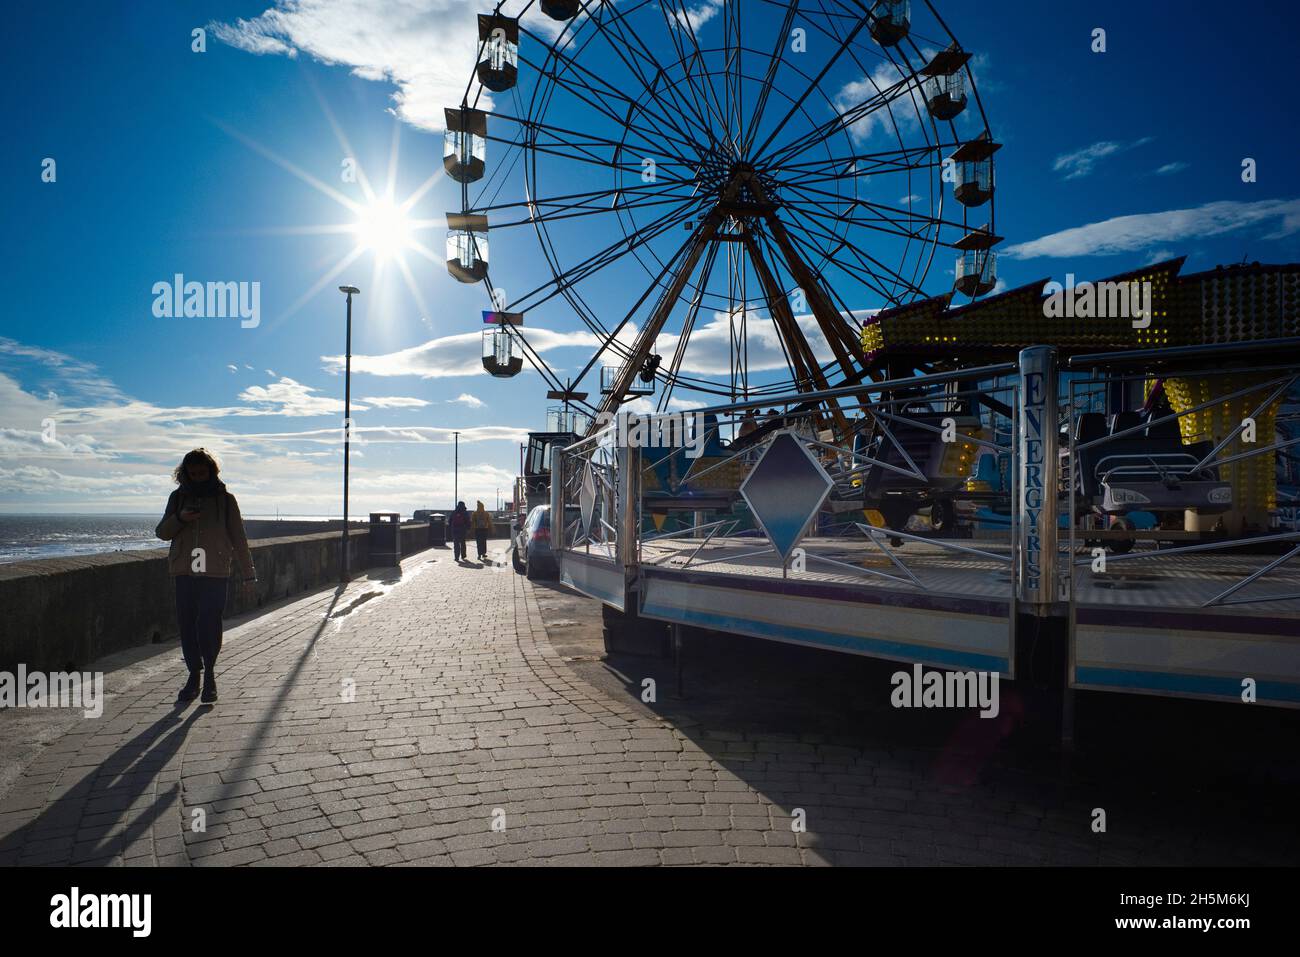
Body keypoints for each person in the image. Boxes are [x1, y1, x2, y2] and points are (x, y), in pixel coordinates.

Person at [155, 448, 256, 705]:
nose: (198, 477)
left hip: (215, 571)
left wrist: (248, 574)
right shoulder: (177, 498)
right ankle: (194, 675)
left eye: (202, 473)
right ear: (185, 474)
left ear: (211, 471)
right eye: (192, 473)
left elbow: (239, 538)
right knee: (187, 624)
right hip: (184, 572)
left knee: (209, 623)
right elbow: (162, 532)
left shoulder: (225, 500)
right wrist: (180, 518)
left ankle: (210, 674)